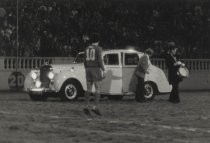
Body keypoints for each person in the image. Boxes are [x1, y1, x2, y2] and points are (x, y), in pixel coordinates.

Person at [83, 33, 105, 116]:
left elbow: (84, 61)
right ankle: (95, 107)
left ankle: (86, 106)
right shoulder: (99, 48)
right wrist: (103, 69)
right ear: (98, 41)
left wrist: (87, 68)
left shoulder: (86, 48)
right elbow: (100, 60)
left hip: (88, 69)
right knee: (97, 89)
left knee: (88, 89)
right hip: (95, 69)